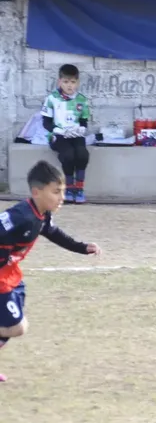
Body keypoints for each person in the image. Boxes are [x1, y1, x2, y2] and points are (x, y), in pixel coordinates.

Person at [0, 161, 101, 382]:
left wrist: (82, 247)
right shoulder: (21, 215)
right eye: (56, 192)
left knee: (10, 325)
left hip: (11, 276)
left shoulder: (41, 215)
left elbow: (54, 233)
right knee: (17, 327)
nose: (61, 198)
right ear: (36, 192)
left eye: (62, 192)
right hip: (1, 280)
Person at [41, 64, 91, 204]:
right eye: (66, 82)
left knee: (82, 154)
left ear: (77, 82)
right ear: (59, 82)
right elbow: (46, 122)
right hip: (58, 135)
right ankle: (69, 187)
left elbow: (83, 121)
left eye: (73, 82)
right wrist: (57, 130)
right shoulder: (52, 98)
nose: (69, 86)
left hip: (75, 135)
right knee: (68, 154)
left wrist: (81, 129)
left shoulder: (81, 99)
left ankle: (79, 188)